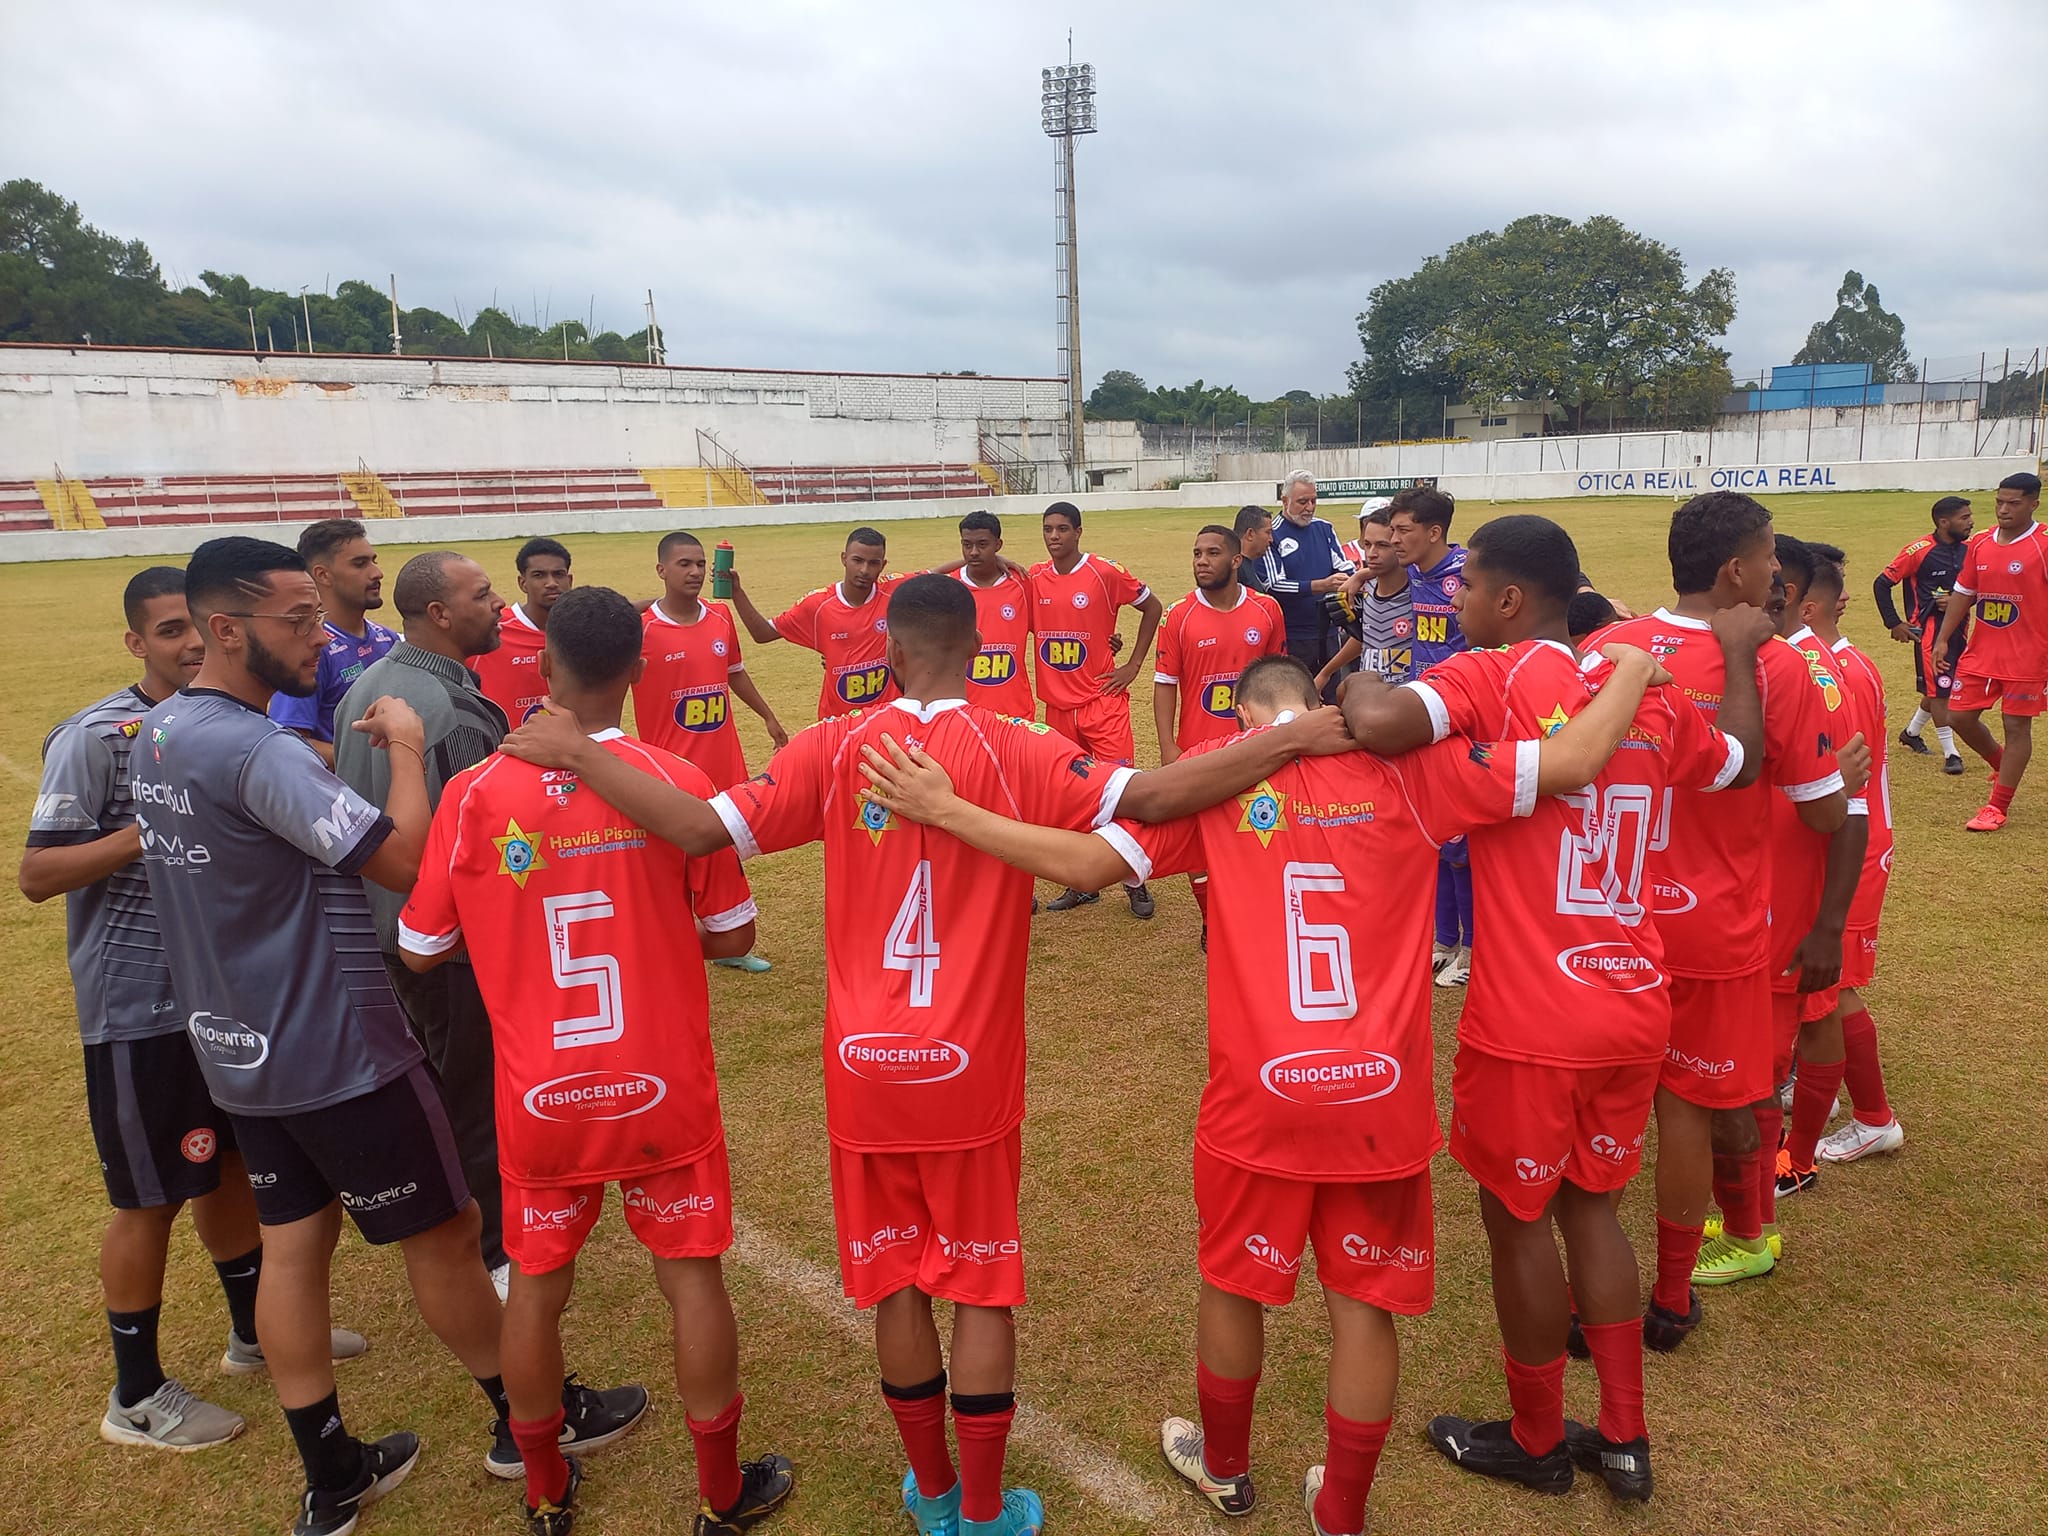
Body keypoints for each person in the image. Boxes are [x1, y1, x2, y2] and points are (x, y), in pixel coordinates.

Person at [496, 574, 1353, 1536]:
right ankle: (984, 1512)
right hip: (969, 1072)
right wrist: (1285, 738)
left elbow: (698, 828)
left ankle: (932, 1495)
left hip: (864, 1072)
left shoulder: (835, 743)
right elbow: (1152, 794)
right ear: (983, 643)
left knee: (896, 1278)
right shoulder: (1019, 744)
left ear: (890, 654)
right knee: (981, 1281)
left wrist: (576, 753)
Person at [859, 647, 1681, 1534]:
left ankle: (1224, 1471)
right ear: (1319, 701)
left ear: (1244, 725)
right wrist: (1633, 670)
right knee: (1362, 1309)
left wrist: (945, 809)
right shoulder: (1414, 774)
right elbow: (1569, 762)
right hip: (1380, 1096)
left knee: (1233, 1286)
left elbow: (1084, 867)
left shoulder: (1215, 789)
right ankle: (1341, 1510)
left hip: (1261, 1099)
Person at [132, 537, 644, 1536]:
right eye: (294, 620)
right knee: (449, 1235)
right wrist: (405, 749)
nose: (317, 638)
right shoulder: (255, 747)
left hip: (238, 1047)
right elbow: (405, 857)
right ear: (226, 629)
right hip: (334, 1043)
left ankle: (331, 1476)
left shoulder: (160, 734)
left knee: (294, 1249)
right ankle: (524, 1423)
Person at [1341, 514, 1763, 1505]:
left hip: (1532, 1020)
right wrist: (1736, 659)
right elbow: (1737, 761)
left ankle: (1535, 1437)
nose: (1450, 597)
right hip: (1632, 1001)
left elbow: (1381, 723)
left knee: (1518, 1222)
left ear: (1510, 600)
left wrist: (1362, 673)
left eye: (1465, 585)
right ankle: (1622, 1436)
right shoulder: (1648, 698)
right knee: (1591, 1209)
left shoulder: (1493, 678)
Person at [398, 586, 794, 1536]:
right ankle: (720, 1494)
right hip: (661, 1085)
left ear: (543, 667)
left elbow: (418, 949)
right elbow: (732, 931)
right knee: (692, 1279)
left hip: (543, 1094)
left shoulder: (475, 792)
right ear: (640, 670)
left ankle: (544, 1490)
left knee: (538, 1286)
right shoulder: (674, 783)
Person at [21, 567, 366, 1453]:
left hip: (217, 998)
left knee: (227, 1167)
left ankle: (253, 1329)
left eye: (194, 628)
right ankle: (134, 1395)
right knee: (149, 1200)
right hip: (138, 1008)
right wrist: (159, 824)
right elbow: (38, 875)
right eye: (165, 631)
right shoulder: (98, 738)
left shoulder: (220, 730)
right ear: (137, 642)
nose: (186, 644)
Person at [1592, 495, 1854, 1320]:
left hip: (1611, 916)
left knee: (1598, 1102)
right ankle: (1671, 1295)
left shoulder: (1609, 648)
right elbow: (1821, 814)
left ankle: (1592, 1278)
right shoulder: (1777, 666)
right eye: (1771, 555)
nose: (1779, 571)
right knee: (1688, 1111)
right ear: (1735, 569)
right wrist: (1834, 774)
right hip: (1714, 927)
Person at [333, 550, 517, 1292]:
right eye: (482, 594)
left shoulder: (371, 685)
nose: (499, 602)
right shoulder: (451, 714)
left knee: (442, 1083)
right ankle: (495, 1251)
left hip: (388, 929)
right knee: (473, 1094)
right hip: (450, 945)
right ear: (439, 614)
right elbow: (478, 849)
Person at [1777, 542, 1903, 1190]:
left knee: (1830, 991)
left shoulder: (1829, 671)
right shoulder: (1842, 661)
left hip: (1851, 850)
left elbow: (1839, 789)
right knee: (1820, 991)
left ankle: (1874, 1118)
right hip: (1849, 843)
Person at [635, 531, 788, 976]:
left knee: (725, 856)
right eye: (684, 564)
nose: (696, 572)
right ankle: (671, 940)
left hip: (723, 764)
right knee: (670, 860)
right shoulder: (643, 627)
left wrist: (768, 716)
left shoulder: (720, 615)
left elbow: (734, 673)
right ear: (662, 570)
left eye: (701, 564)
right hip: (669, 771)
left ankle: (726, 941)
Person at [1030, 500, 1164, 918]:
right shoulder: (1034, 578)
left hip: (1101, 703)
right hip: (1057, 710)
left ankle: (1135, 884)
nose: (1055, 536)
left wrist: (1133, 663)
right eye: (1048, 529)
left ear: (1078, 532)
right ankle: (1080, 883)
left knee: (1121, 794)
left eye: (1063, 529)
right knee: (1069, 798)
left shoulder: (1105, 573)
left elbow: (1153, 606)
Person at [1151, 525, 1285, 941]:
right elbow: (1164, 683)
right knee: (1200, 843)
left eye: (1211, 553)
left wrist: (1280, 736)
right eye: (1196, 554)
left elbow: (1278, 679)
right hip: (1199, 749)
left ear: (1235, 561)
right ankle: (1212, 920)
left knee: (1260, 833)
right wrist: (1169, 746)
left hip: (1256, 749)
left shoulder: (1267, 610)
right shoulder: (1179, 615)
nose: (1201, 562)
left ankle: (1252, 914)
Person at [1388, 486, 1473, 986]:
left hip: (1462, 713)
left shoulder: (1468, 572)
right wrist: (1357, 577)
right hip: (1425, 711)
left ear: (1434, 532)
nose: (1395, 541)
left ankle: (1474, 948)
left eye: (1403, 531)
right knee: (1436, 835)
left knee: (1461, 841)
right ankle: (1444, 938)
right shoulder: (1417, 571)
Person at [1929, 471, 2047, 830]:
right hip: (1983, 651)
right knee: (1959, 717)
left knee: (2016, 726)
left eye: (2014, 503)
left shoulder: (2043, 543)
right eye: (1999, 501)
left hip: (2028, 656)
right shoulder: (1980, 542)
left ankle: (1997, 806)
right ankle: (2001, 765)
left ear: (2033, 504)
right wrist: (1943, 638)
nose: (2004, 509)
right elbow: (1965, 592)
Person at [727, 526, 905, 720]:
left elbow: (937, 575)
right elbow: (762, 634)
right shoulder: (818, 605)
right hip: (838, 722)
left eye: (873, 563)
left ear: (883, 565)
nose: (864, 570)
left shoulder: (894, 592)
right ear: (844, 558)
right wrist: (737, 593)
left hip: (887, 718)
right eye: (857, 560)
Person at [267, 519, 397, 764]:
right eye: (360, 564)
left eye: (374, 561)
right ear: (323, 575)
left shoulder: (388, 639)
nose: (376, 573)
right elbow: (289, 741)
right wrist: (368, 764)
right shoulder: (311, 650)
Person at [1874, 495, 1974, 771]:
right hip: (1929, 631)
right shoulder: (1918, 550)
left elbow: (1978, 589)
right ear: (1944, 522)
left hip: (1960, 629)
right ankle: (1951, 754)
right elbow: (1882, 583)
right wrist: (1894, 623)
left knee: (1939, 686)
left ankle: (1911, 733)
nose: (1971, 522)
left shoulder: (1971, 549)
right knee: (1942, 690)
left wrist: (1959, 599)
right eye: (1964, 517)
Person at [1254, 472, 1354, 693]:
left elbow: (1345, 565)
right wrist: (1321, 585)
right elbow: (1274, 585)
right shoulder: (1273, 534)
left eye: (1313, 500)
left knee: (1331, 698)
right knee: (1296, 699)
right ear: (1285, 500)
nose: (1309, 507)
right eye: (1302, 502)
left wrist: (1352, 579)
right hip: (1292, 635)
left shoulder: (1324, 528)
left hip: (1328, 633)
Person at [473, 537, 574, 726]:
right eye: (539, 575)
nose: (551, 583)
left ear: (569, 580)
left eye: (558, 574)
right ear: (522, 583)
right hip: (504, 750)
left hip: (566, 750)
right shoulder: (491, 627)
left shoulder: (584, 629)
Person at [1316, 505, 1413, 694]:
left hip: (1406, 704)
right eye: (1367, 545)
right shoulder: (1365, 588)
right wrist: (1325, 673)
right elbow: (1366, 637)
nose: (1371, 553)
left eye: (1382, 545)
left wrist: (1361, 574)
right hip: (1368, 699)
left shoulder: (1420, 591)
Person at [953, 510, 1038, 720]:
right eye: (967, 544)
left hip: (1016, 711)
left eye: (983, 544)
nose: (973, 552)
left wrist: (1105, 640)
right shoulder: (949, 587)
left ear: (998, 545)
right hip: (966, 713)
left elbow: (1052, 627)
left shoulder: (1022, 583)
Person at [1233, 505, 1275, 596]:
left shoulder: (1246, 565)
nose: (1271, 539)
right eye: (1268, 532)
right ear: (1250, 534)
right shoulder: (1235, 569)